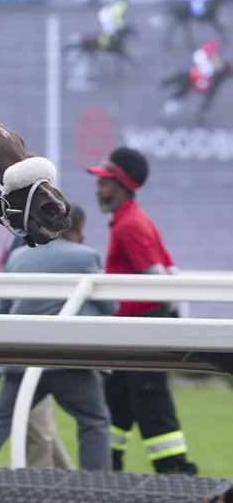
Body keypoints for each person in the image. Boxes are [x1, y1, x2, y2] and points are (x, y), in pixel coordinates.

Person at [0, 205, 114, 472]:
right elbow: (110, 306)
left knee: (0, 418)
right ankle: (96, 486)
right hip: (67, 361)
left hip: (22, 356)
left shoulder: (18, 256)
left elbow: (2, 307)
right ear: (77, 228)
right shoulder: (87, 257)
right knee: (94, 420)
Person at [87, 147, 199, 475]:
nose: (99, 189)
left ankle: (174, 471)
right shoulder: (128, 220)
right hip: (130, 328)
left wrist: (160, 325)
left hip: (142, 327)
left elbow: (159, 281)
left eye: (105, 183)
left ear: (122, 186)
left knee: (151, 403)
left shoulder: (131, 225)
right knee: (116, 405)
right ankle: (108, 468)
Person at [0, 233, 73, 470]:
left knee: (37, 426)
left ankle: (49, 483)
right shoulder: (20, 237)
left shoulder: (23, 237)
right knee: (39, 426)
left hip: (31, 341)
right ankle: (59, 481)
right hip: (32, 341)